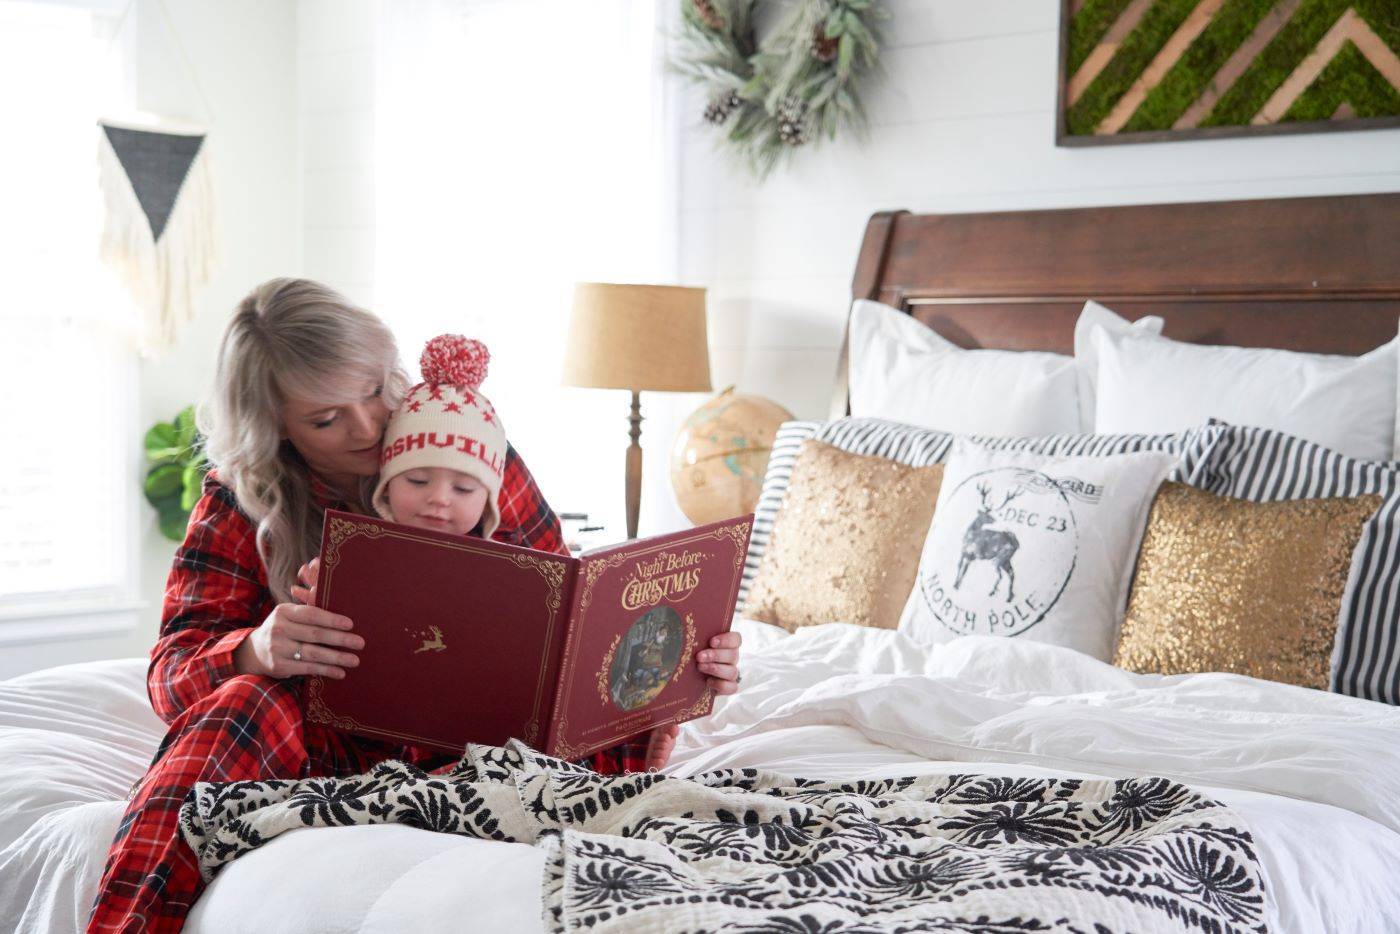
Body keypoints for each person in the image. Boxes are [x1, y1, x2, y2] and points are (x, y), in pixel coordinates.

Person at [87, 279, 743, 933]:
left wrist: (681, 664)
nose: (368, 426)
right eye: (325, 418)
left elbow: (567, 627)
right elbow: (172, 677)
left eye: (374, 390)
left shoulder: (468, 447)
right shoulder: (239, 501)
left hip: (484, 738)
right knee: (241, 706)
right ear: (273, 429)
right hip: (330, 742)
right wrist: (256, 648)